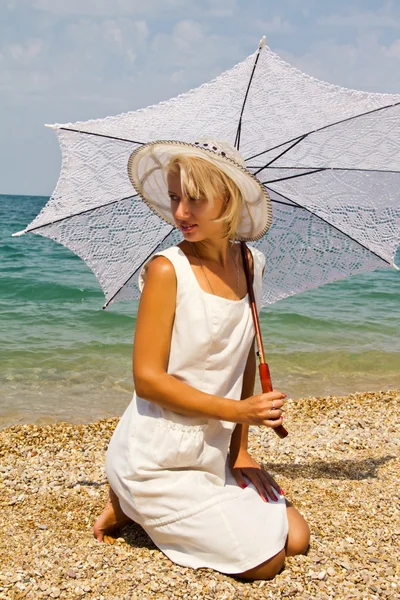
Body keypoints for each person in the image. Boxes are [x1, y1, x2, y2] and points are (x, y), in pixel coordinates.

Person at [93, 138, 310, 580]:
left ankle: (143, 512)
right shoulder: (166, 270)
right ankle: (131, 499)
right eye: (174, 197)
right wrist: (238, 411)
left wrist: (241, 450)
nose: (180, 214)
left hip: (212, 452)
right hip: (156, 456)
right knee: (266, 564)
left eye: (195, 199)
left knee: (297, 538)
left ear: (228, 200)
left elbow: (244, 354)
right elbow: (148, 381)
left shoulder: (252, 263)